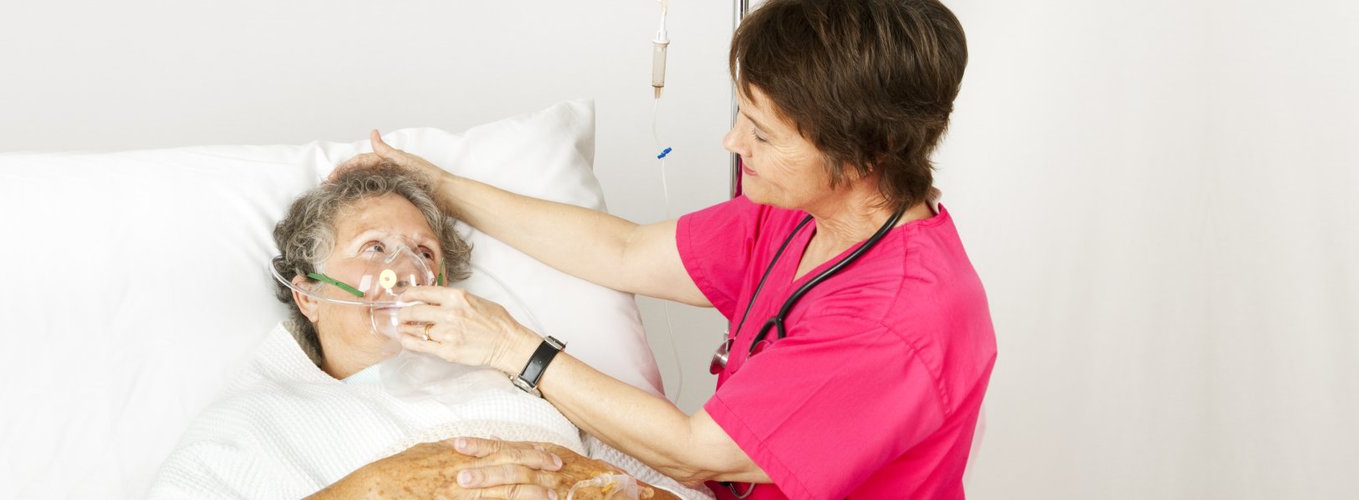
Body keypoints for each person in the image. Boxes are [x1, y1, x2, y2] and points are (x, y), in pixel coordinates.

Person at [340, 0, 997, 498]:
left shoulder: (899, 320)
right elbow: (623, 251)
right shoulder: (800, 216)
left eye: (762, 135)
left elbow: (698, 451)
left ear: (862, 155)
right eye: (740, 113)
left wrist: (511, 348)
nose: (732, 144)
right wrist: (442, 187)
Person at [148, 161, 705, 499]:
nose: (404, 271)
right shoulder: (259, 419)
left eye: (423, 252)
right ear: (306, 294)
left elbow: (676, 486)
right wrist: (370, 491)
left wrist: (606, 488)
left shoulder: (514, 383)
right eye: (373, 249)